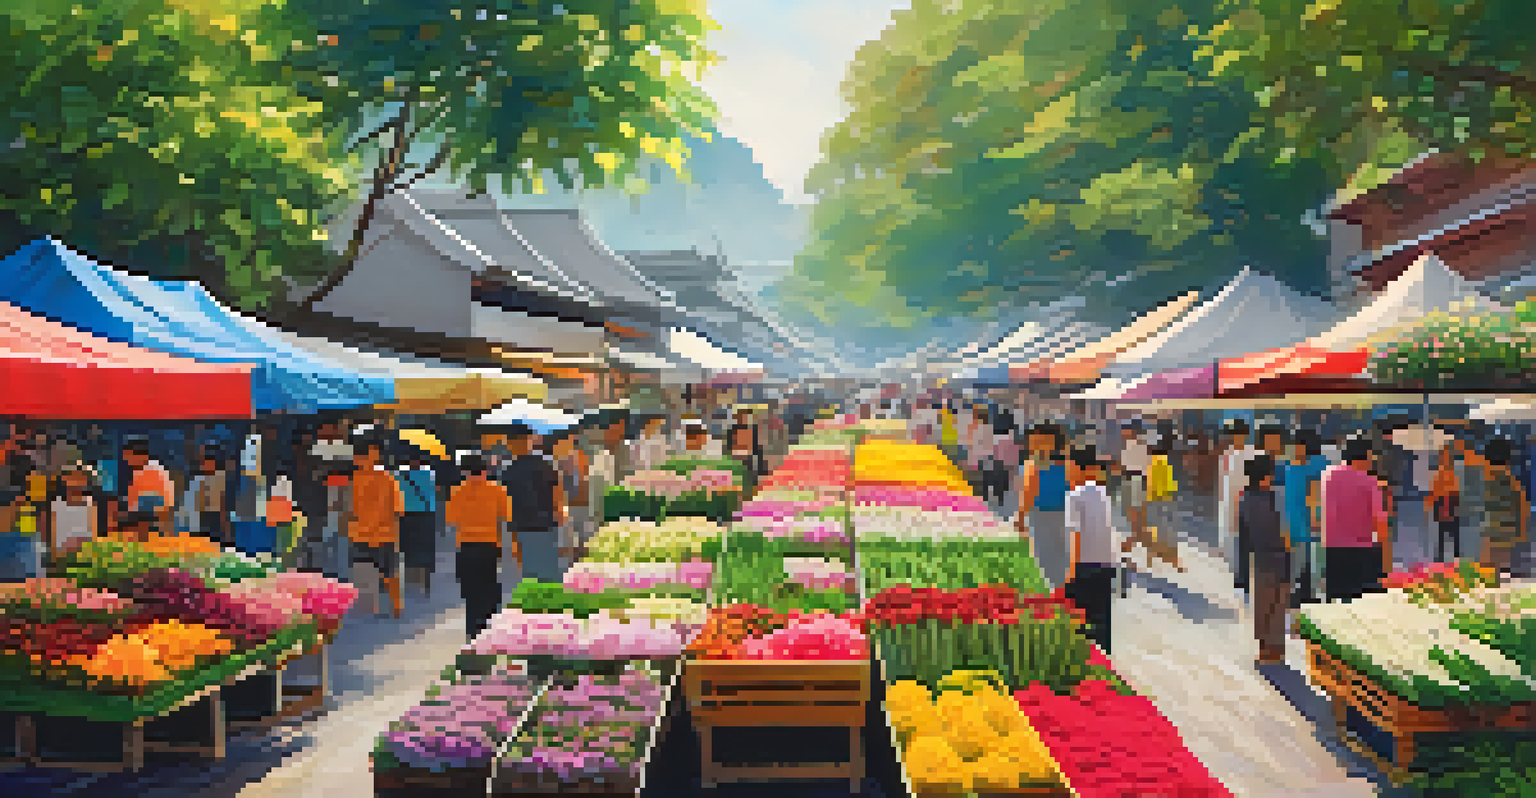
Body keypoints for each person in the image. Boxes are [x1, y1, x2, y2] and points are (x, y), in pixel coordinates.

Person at [446, 454, 513, 641]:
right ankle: (490, 627)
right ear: (486, 470)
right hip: (490, 544)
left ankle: (473, 630)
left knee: (471, 591)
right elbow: (506, 517)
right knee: (489, 587)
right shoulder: (499, 490)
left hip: (466, 545)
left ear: (464, 471)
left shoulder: (456, 491)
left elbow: (451, 520)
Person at [1321, 438, 1390, 602]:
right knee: (1361, 606)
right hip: (1361, 551)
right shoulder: (1370, 482)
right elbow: (1380, 522)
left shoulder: (1329, 478)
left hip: (1332, 550)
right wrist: (1384, 563)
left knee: (1336, 603)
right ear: (1366, 456)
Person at [1064, 445, 1116, 655]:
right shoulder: (1103, 493)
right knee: (1102, 622)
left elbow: (1076, 535)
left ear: (1078, 467)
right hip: (1105, 565)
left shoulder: (1074, 496)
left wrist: (1071, 571)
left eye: (1069, 465)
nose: (1067, 470)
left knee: (1081, 624)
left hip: (1084, 566)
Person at [500, 423, 566, 584]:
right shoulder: (546, 465)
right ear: (530, 440)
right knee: (550, 576)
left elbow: (509, 510)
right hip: (547, 528)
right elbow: (558, 497)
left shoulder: (508, 472)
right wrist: (562, 528)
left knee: (531, 579)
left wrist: (513, 540)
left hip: (524, 530)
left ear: (509, 443)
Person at [1241, 455, 1290, 665]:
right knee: (1278, 604)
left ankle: (1263, 648)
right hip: (1279, 555)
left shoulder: (1246, 499)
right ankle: (1275, 650)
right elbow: (1286, 529)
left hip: (1260, 557)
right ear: (1264, 478)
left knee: (1262, 602)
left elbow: (1243, 534)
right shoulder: (1275, 498)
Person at [349, 438, 406, 618]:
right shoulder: (390, 478)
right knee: (389, 572)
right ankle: (396, 606)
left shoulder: (354, 479)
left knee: (365, 572)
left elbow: (348, 508)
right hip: (385, 534)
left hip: (360, 534)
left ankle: (370, 608)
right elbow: (399, 509)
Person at [1017, 423, 1071, 589]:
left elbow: (1029, 490)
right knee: (1065, 556)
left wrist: (1021, 517)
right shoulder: (1068, 461)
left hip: (1043, 514)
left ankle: (1057, 592)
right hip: (1068, 512)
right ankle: (1065, 591)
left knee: (1047, 557)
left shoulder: (1034, 463)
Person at [1281, 430, 1329, 605]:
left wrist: (1316, 518)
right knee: (1299, 561)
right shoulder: (1291, 465)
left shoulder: (1318, 466)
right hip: (1296, 521)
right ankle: (1301, 592)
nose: (1293, 448)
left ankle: (1307, 596)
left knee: (1309, 561)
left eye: (1296, 444)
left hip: (1308, 523)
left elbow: (1317, 494)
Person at [1218, 419, 1259, 603]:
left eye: (1238, 433)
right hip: (1229, 503)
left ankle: (1250, 581)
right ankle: (1240, 581)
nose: (1235, 438)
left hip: (1249, 502)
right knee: (1234, 543)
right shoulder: (1226, 454)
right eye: (1233, 434)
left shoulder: (1253, 453)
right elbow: (1222, 481)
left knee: (1251, 543)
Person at [1481, 437, 1529, 577]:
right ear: (1508, 461)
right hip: (1507, 539)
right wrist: (1521, 534)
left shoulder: (1485, 483)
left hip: (1490, 538)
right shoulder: (1515, 485)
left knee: (1490, 576)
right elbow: (1522, 511)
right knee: (1503, 574)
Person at [396, 449, 439, 597]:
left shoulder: (400, 475)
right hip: (427, 513)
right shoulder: (430, 474)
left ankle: (410, 577)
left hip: (406, 513)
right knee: (426, 545)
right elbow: (436, 489)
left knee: (407, 545)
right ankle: (425, 578)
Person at [1142, 432, 1183, 571]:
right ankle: (1173, 560)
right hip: (1165, 498)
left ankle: (1151, 557)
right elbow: (1168, 482)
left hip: (1155, 498)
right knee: (1169, 530)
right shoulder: (1164, 461)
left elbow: (1150, 483)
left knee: (1154, 528)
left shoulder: (1153, 462)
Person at [550, 429, 589, 561]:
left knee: (580, 539)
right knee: (569, 541)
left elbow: (584, 478)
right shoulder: (555, 457)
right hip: (566, 502)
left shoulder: (580, 455)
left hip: (578, 502)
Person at [1115, 422, 1151, 565]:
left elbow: (1131, 466)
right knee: (1132, 513)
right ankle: (1132, 540)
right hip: (1134, 480)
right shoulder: (1136, 446)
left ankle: (1131, 541)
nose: (1123, 433)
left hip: (1134, 480)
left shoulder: (1134, 446)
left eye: (1125, 430)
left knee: (1132, 513)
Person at [49, 464, 98, 560]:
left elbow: (94, 537)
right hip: (62, 557)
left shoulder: (90, 504)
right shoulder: (57, 504)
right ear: (65, 479)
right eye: (73, 477)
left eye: (80, 478)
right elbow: (53, 539)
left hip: (85, 557)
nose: (76, 482)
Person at [1425, 442, 1461, 563]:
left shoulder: (1451, 472)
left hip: (1450, 502)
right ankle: (1445, 558)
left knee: (1450, 533)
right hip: (1446, 502)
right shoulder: (1443, 472)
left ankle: (1448, 558)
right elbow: (1434, 490)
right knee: (1446, 533)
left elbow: (1434, 490)